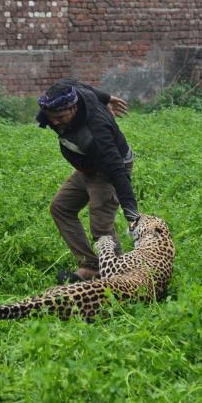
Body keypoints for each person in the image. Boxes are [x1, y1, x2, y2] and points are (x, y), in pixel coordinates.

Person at [36, 79, 138, 283]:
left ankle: (119, 278)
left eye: (60, 117)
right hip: (87, 168)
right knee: (61, 207)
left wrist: (131, 213)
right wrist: (107, 98)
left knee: (101, 228)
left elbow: (117, 169)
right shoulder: (69, 96)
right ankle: (90, 267)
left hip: (108, 170)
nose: (54, 122)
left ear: (73, 108)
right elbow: (78, 85)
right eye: (51, 117)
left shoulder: (97, 128)